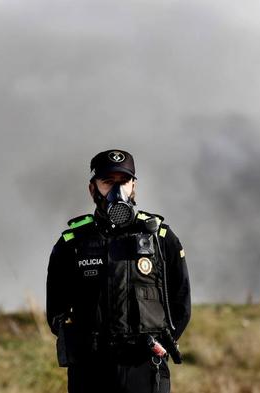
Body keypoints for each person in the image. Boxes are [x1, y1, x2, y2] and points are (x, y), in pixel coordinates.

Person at [46, 149, 191, 393]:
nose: (117, 190)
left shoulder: (161, 238)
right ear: (93, 188)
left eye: (124, 181)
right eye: (108, 182)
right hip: (90, 371)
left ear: (134, 185)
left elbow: (181, 305)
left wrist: (157, 344)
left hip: (145, 368)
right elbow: (56, 312)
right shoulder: (72, 243)